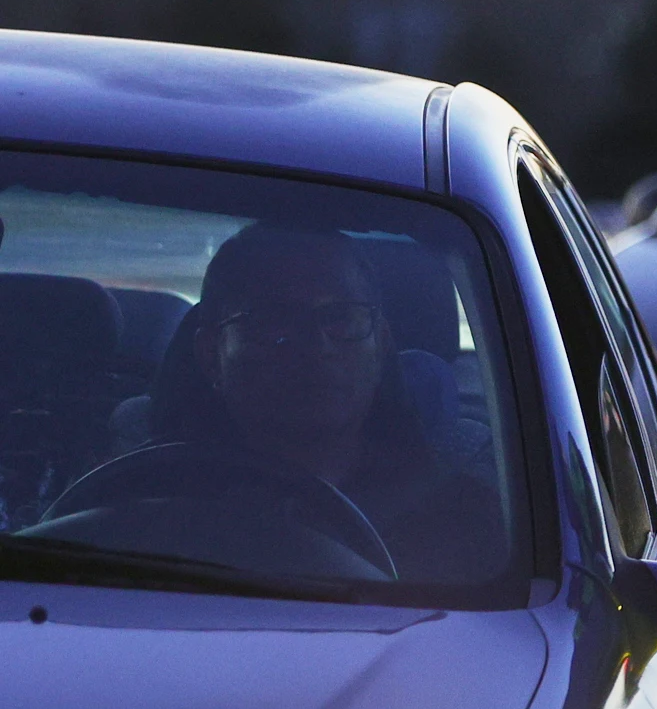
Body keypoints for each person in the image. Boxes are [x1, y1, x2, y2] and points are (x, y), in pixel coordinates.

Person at [163, 224, 503, 583]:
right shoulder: (142, 500)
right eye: (274, 320)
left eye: (341, 318)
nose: (316, 347)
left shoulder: (467, 525)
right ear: (210, 355)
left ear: (381, 346)